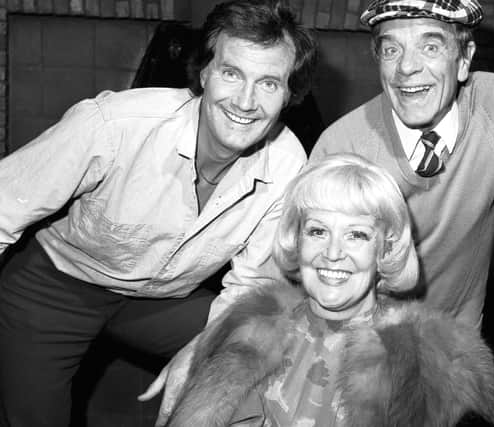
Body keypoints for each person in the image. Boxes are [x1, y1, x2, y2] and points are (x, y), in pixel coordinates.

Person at [0, 1, 316, 426]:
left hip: (161, 300)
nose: (246, 100)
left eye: (268, 83)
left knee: (277, 350)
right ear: (204, 73)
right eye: (231, 73)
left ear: (289, 94)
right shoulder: (115, 124)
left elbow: (252, 284)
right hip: (56, 286)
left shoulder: (287, 163)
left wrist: (203, 351)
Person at [309, 1, 494, 426]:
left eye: (430, 47)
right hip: (357, 350)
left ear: (464, 61)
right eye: (391, 50)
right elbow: (313, 272)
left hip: (455, 352)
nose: (407, 68)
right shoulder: (341, 145)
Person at [164, 154, 494, 427]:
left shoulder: (434, 358)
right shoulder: (245, 329)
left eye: (356, 235)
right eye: (318, 231)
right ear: (296, 241)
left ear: (385, 250)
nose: (333, 252)